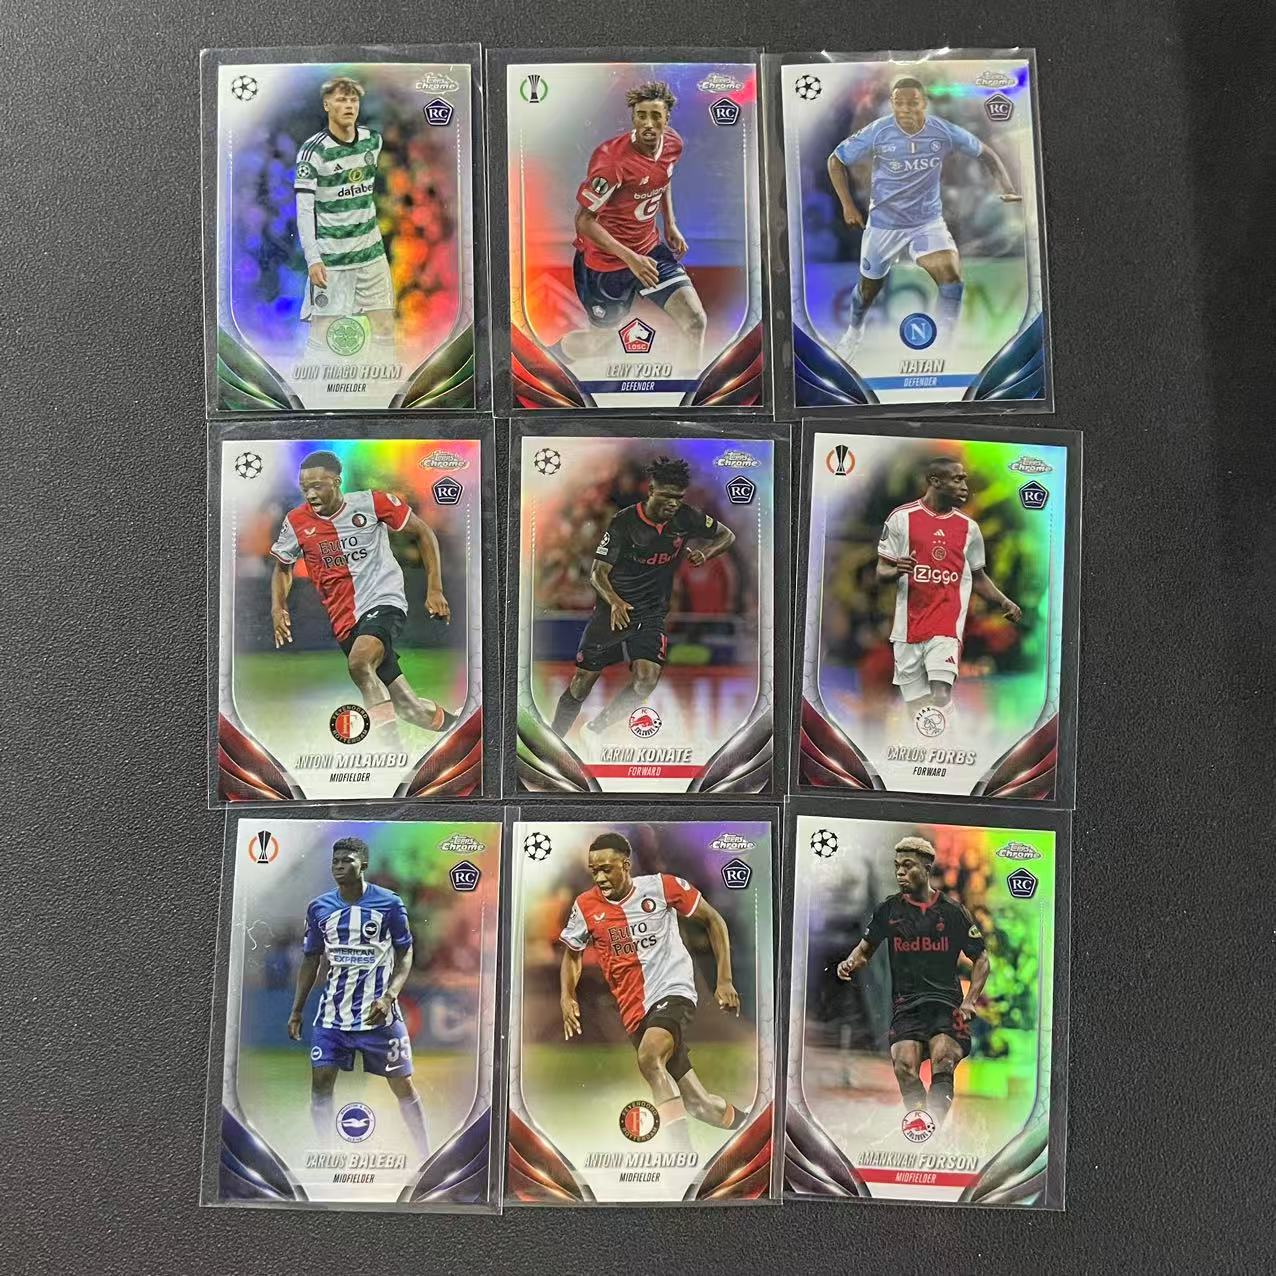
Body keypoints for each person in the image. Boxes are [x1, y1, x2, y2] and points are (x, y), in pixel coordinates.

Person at [559, 832, 747, 1150]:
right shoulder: (585, 906)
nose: (600, 877)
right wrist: (567, 995)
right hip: (634, 1010)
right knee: (700, 1105)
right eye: (594, 870)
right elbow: (572, 954)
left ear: (626, 865)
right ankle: (751, 1124)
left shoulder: (662, 887)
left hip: (673, 989)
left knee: (649, 1057)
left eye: (607, 869)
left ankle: (681, 1156)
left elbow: (714, 920)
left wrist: (724, 980)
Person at [827, 76, 1021, 361]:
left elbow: (985, 153)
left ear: (924, 103)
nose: (905, 108)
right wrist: (847, 206)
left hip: (926, 224)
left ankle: (943, 350)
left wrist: (1007, 187)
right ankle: (854, 333)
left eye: (913, 102)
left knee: (952, 279)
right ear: (892, 104)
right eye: (899, 103)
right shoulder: (879, 131)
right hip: (883, 226)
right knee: (867, 291)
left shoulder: (942, 131)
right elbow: (836, 160)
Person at [269, 450, 457, 744]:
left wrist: (434, 588)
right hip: (344, 620)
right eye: (305, 488)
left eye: (317, 486)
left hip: (384, 600)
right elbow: (283, 567)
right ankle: (463, 725)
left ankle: (392, 756)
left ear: (337, 482)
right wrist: (278, 607)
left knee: (359, 663)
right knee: (410, 710)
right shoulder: (296, 522)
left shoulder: (372, 503)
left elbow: (423, 533)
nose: (311, 494)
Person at [549, 455, 735, 738]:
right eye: (667, 496)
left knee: (646, 681)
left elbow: (727, 535)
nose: (673, 503)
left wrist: (706, 553)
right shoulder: (624, 522)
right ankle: (553, 740)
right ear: (651, 491)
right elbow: (598, 573)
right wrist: (615, 601)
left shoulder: (687, 517)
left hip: (651, 613)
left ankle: (594, 731)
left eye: (678, 497)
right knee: (582, 682)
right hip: (614, 611)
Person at [287, 836, 430, 1159]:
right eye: (335, 862)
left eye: (346, 861)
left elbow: (406, 953)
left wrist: (389, 996)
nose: (339, 867)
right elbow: (311, 959)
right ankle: (328, 1155)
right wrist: (297, 1010)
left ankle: (426, 1155)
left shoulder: (389, 904)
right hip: (332, 1017)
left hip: (379, 1017)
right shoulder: (319, 907)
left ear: (363, 864)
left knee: (402, 1085)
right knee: (320, 1085)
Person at [836, 836, 991, 1127]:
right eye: (897, 866)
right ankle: (921, 1124)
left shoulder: (952, 912)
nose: (900, 872)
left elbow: (981, 959)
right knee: (904, 1067)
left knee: (943, 1060)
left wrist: (970, 1001)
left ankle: (933, 1130)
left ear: (927, 868)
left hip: (946, 1006)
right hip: (906, 1007)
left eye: (908, 866)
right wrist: (850, 962)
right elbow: (865, 950)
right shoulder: (888, 910)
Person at [560, 81, 708, 375]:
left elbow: (662, 179)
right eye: (641, 115)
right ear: (633, 117)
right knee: (600, 344)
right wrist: (631, 259)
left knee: (695, 321)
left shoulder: (673, 144)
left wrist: (670, 224)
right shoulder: (611, 161)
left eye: (656, 116)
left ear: (667, 118)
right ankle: (550, 355)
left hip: (649, 250)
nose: (648, 124)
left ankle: (692, 391)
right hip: (605, 265)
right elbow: (584, 221)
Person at [876, 455, 1021, 721]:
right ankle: (931, 740)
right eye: (957, 480)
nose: (965, 486)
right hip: (907, 629)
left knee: (940, 694)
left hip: (946, 627)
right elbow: (881, 571)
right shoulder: (901, 518)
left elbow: (978, 577)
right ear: (935, 481)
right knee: (917, 707)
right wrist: (897, 570)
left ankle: (951, 734)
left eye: (964, 479)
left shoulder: (969, 528)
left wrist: (1004, 601)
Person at [294, 77, 396, 364]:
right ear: (327, 105)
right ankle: (311, 388)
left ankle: (383, 387)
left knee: (385, 326)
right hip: (332, 260)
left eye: (353, 100)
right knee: (323, 332)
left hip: (371, 255)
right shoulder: (313, 152)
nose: (349, 105)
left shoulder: (372, 141)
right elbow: (304, 210)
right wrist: (313, 259)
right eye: (341, 100)